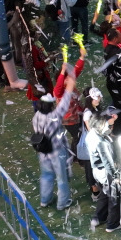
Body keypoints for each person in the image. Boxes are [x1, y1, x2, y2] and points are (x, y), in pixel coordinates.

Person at [31, 70, 76, 211]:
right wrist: (69, 86)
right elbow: (64, 103)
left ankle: (45, 199)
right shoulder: (54, 116)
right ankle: (63, 202)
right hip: (57, 151)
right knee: (61, 178)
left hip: (43, 150)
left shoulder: (36, 116)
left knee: (46, 175)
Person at [84, 106, 121, 233]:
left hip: (97, 171)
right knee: (114, 197)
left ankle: (98, 217)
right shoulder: (101, 142)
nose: (107, 126)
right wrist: (116, 177)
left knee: (104, 195)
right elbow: (108, 162)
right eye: (105, 124)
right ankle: (112, 223)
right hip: (106, 173)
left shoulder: (90, 135)